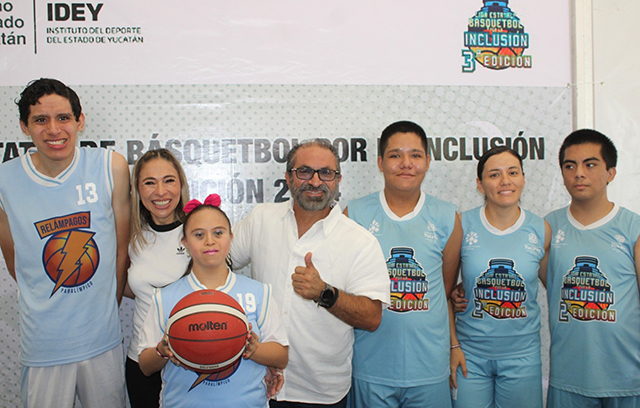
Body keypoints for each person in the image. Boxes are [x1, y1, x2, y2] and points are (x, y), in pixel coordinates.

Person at [230, 139, 390, 407]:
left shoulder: (360, 241)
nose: (315, 181)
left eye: (326, 173)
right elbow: (218, 264)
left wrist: (325, 293)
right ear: (288, 178)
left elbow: (372, 318)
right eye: (304, 171)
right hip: (254, 383)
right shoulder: (261, 219)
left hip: (320, 392)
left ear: (338, 180)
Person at [0, 78, 130, 407]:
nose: (54, 129)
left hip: (101, 341)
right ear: (24, 126)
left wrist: (101, 310)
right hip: (43, 344)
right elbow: (15, 261)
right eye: (41, 120)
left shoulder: (109, 166)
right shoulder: (5, 180)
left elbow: (120, 252)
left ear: (79, 121)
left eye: (63, 118)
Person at [344, 121, 462, 407]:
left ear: (428, 162)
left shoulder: (447, 217)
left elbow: (441, 290)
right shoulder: (354, 214)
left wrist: (452, 345)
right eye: (396, 155)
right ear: (380, 162)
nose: (406, 164)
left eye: (415, 155)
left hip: (429, 368)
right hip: (371, 365)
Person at [137, 194, 289, 408]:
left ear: (231, 237)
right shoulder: (165, 297)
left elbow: (281, 357)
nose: (210, 241)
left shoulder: (258, 293)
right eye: (199, 234)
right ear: (185, 243)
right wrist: (163, 349)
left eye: (218, 233)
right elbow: (145, 365)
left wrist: (254, 348)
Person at [449, 146, 551, 408]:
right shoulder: (461, 224)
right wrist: (453, 346)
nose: (505, 181)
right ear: (480, 184)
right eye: (494, 175)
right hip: (470, 354)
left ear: (523, 179)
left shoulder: (541, 229)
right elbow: (442, 289)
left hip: (523, 356)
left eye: (513, 172)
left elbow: (555, 287)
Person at [545, 129, 640, 407]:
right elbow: (525, 279)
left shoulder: (632, 228)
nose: (579, 173)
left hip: (626, 377)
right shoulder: (549, 227)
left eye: (590, 164)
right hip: (569, 377)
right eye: (569, 165)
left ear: (611, 172)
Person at [125, 148, 190, 408]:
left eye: (169, 180)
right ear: (138, 190)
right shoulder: (131, 237)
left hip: (190, 362)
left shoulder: (199, 231)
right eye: (149, 183)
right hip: (142, 362)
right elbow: (127, 287)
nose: (160, 192)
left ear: (181, 185)